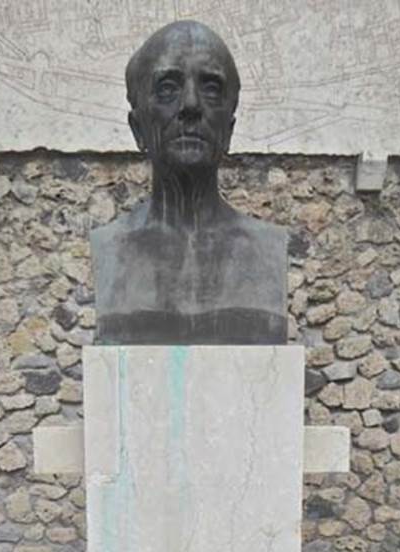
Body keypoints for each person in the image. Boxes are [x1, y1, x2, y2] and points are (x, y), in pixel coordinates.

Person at [92, 20, 287, 345]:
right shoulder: (112, 248)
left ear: (230, 129)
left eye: (211, 88)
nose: (191, 105)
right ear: (137, 128)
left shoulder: (266, 251)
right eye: (168, 88)